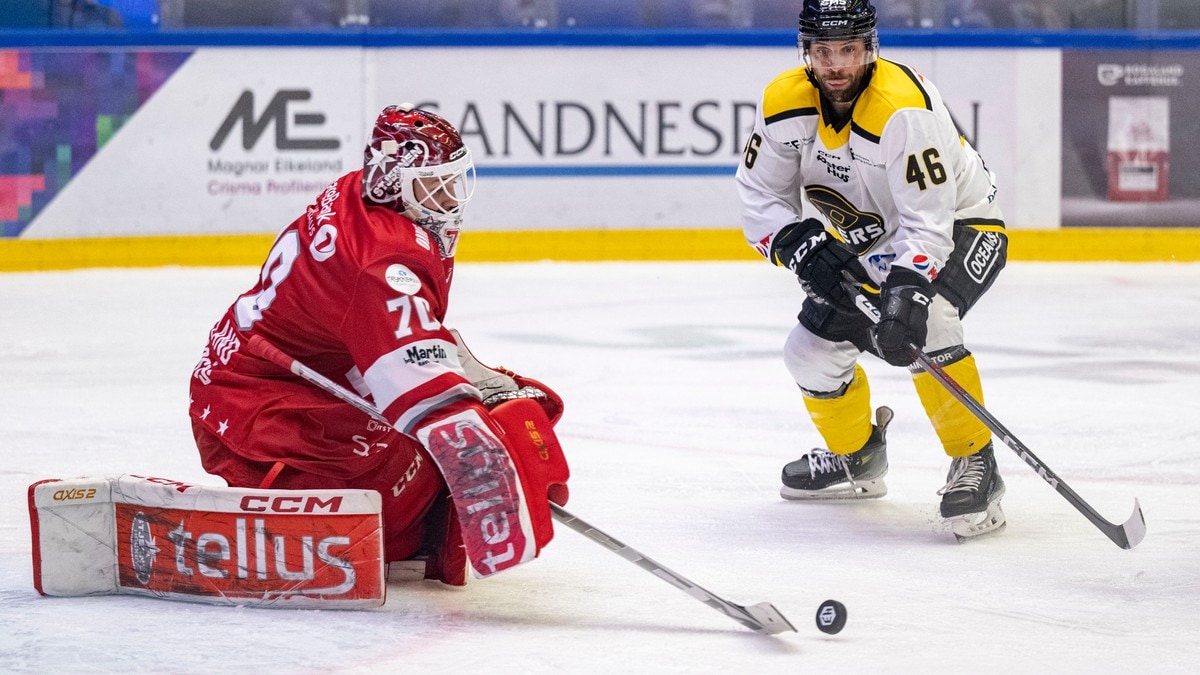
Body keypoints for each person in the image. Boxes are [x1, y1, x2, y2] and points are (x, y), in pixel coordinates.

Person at [189, 104, 570, 584]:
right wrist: (485, 467)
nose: (451, 196)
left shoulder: (363, 194)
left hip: (303, 383)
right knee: (400, 509)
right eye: (436, 182)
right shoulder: (382, 260)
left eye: (453, 180)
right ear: (393, 179)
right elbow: (418, 379)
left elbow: (387, 325)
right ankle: (300, 523)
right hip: (262, 411)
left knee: (509, 411)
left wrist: (482, 387)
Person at [735, 0, 1008, 540]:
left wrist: (906, 291)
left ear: (869, 49)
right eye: (823, 50)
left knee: (930, 324)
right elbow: (757, 193)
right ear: (806, 52)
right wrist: (796, 243)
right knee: (808, 354)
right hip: (873, 243)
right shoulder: (784, 102)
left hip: (961, 225)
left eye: (849, 50)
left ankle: (977, 462)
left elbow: (928, 221)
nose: (836, 64)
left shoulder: (902, 110)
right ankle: (857, 457)